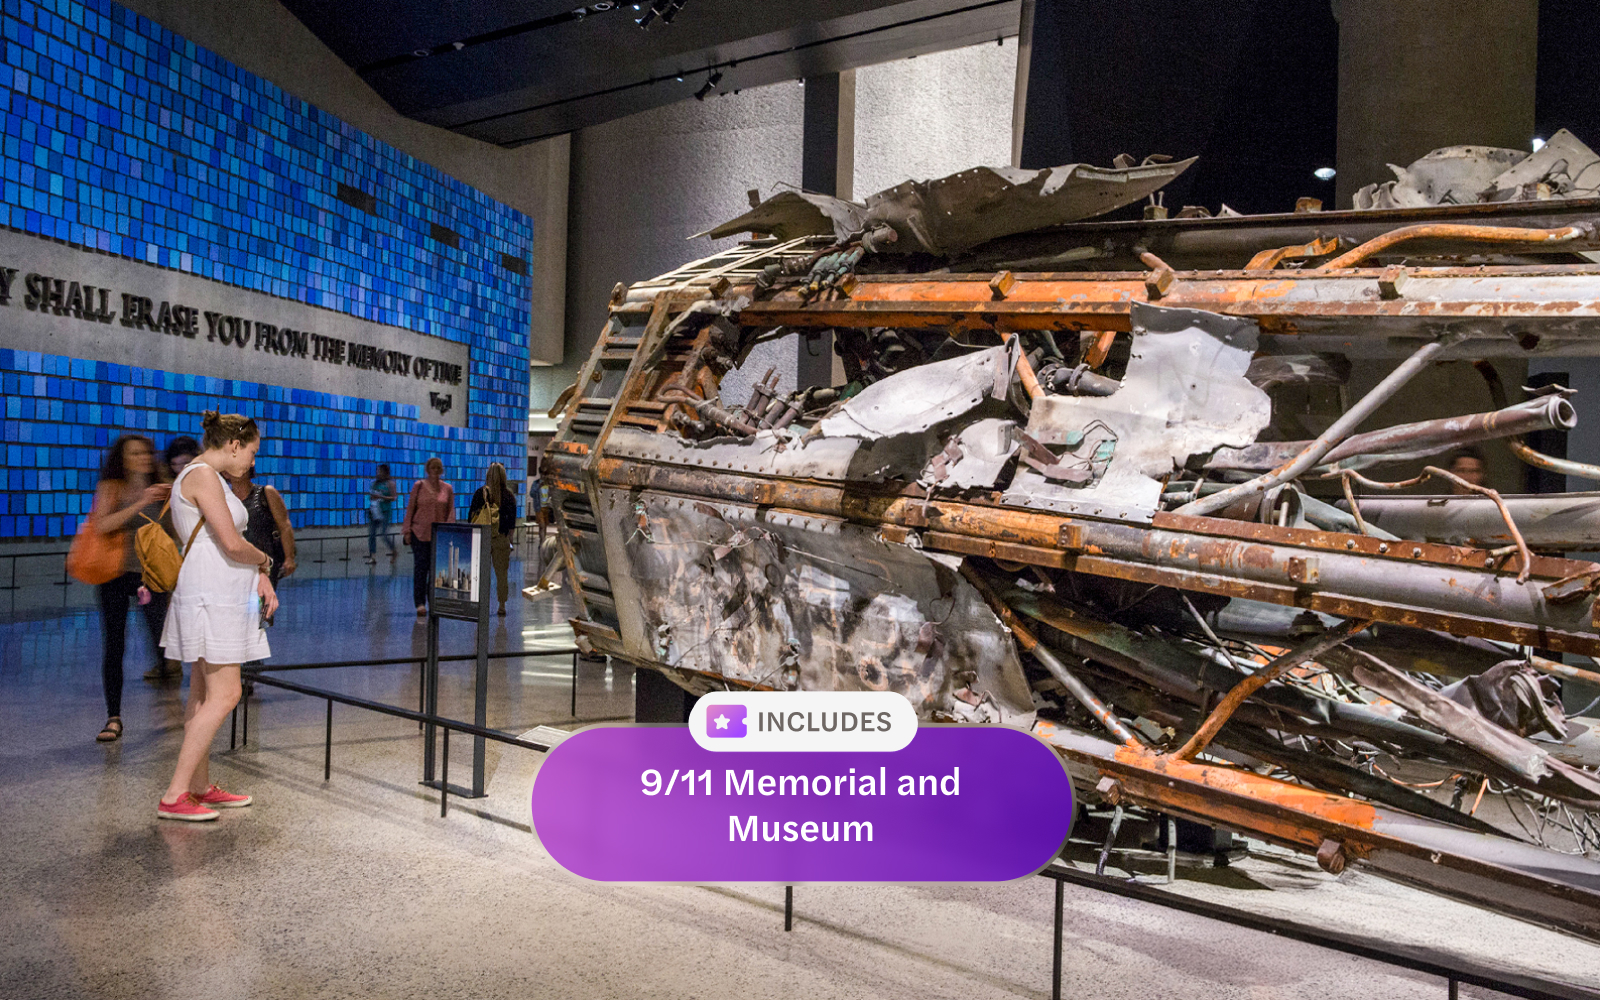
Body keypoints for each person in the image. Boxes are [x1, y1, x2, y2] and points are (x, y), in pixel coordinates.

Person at [157, 411, 279, 821]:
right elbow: (231, 542)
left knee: (202, 696)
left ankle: (198, 787)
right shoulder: (203, 476)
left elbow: (226, 542)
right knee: (226, 694)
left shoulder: (209, 478)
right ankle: (176, 794)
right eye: (251, 451)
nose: (252, 462)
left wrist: (259, 574)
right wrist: (265, 559)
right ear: (233, 445)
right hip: (213, 597)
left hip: (217, 593)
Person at [90, 435, 173, 742]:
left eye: (145, 452)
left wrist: (173, 499)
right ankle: (113, 717)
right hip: (114, 574)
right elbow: (103, 525)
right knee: (114, 646)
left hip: (149, 576)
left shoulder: (161, 484)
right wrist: (142, 500)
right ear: (121, 458)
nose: (142, 458)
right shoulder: (112, 487)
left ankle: (170, 703)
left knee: (161, 640)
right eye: (134, 453)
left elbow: (171, 528)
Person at [144, 436, 203, 683]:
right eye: (176, 464)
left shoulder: (204, 482)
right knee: (163, 613)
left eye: (186, 463)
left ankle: (178, 664)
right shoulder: (167, 486)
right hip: (168, 556)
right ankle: (167, 662)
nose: (181, 469)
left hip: (194, 555)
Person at [226, 464, 296, 589]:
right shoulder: (226, 500)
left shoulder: (266, 493)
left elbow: (284, 526)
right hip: (237, 563)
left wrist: (289, 558)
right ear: (225, 474)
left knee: (262, 604)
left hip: (265, 561)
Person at [402, 457, 454, 618]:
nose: (435, 471)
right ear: (427, 469)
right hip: (419, 533)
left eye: (438, 468)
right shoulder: (419, 486)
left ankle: (434, 601)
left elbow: (450, 512)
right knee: (420, 568)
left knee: (436, 571)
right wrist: (407, 531)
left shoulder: (447, 488)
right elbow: (411, 508)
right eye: (432, 468)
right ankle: (419, 603)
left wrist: (449, 532)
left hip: (438, 535)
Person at [469, 462, 518, 617]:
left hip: (482, 537)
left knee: (480, 573)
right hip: (501, 538)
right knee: (501, 574)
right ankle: (501, 605)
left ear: (488, 475)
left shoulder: (480, 494)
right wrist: (511, 540)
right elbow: (511, 522)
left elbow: (471, 517)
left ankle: (478, 603)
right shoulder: (509, 496)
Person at [366, 464, 398, 564]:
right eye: (378, 471)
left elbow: (394, 497)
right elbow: (371, 496)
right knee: (371, 534)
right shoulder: (374, 483)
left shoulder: (390, 483)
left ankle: (393, 550)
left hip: (385, 512)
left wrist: (382, 497)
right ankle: (372, 556)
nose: (379, 473)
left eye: (380, 471)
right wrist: (373, 498)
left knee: (383, 534)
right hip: (374, 511)